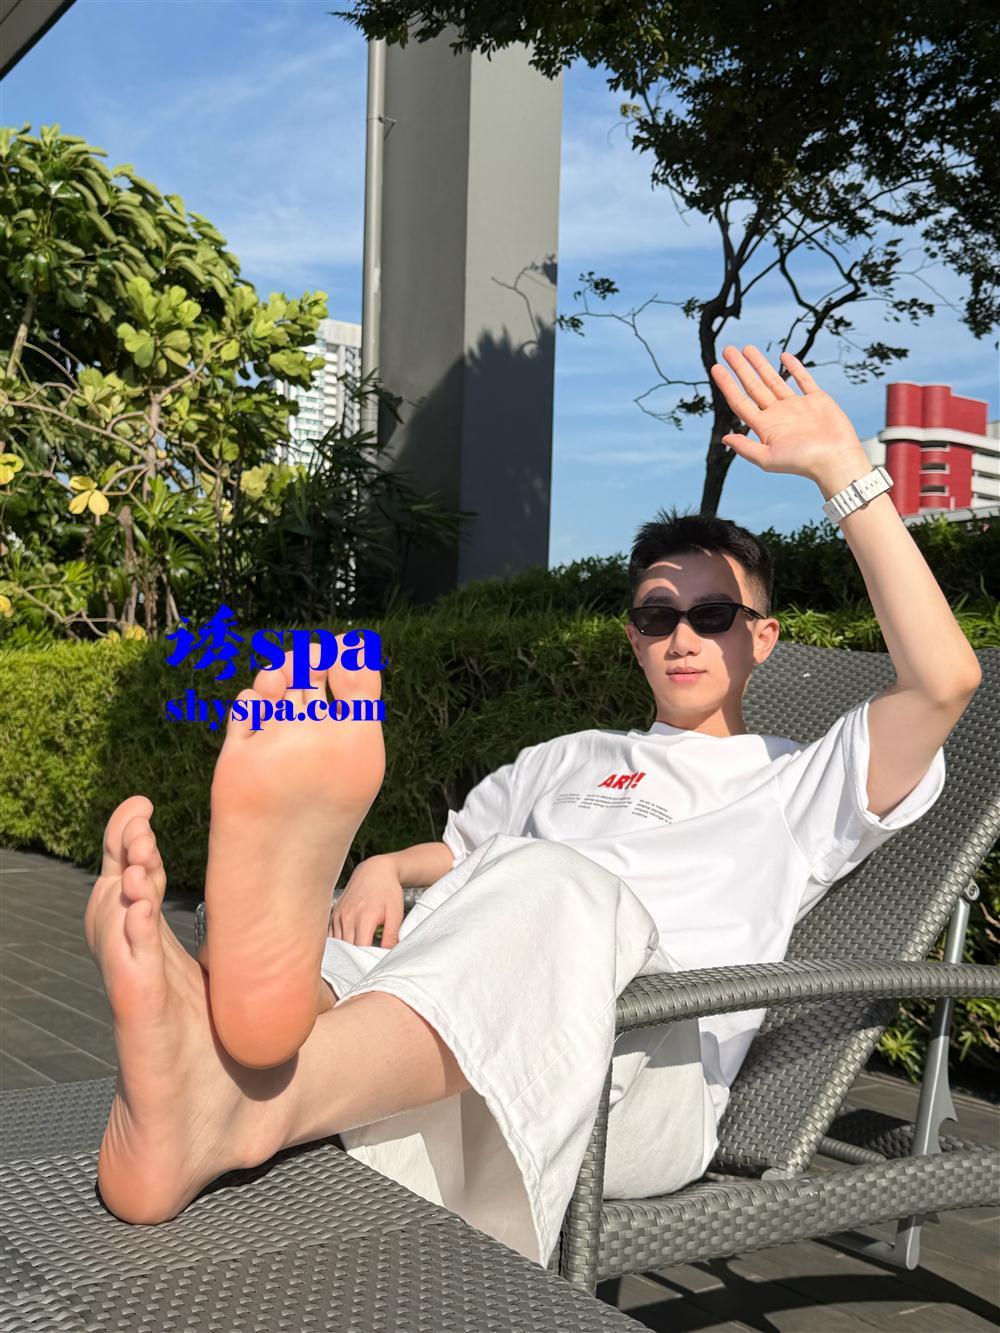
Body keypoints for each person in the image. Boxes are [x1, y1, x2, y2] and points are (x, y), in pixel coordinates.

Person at [85, 345, 981, 1269]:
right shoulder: (569, 757)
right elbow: (459, 853)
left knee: (553, 883)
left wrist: (841, 467)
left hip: (636, 1072)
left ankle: (241, 1094)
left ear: (763, 637)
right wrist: (386, 864)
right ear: (633, 640)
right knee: (379, 943)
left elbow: (944, 680)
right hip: (462, 1008)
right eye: (656, 616)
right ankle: (219, 1048)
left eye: (712, 616)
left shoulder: (801, 782)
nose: (682, 635)